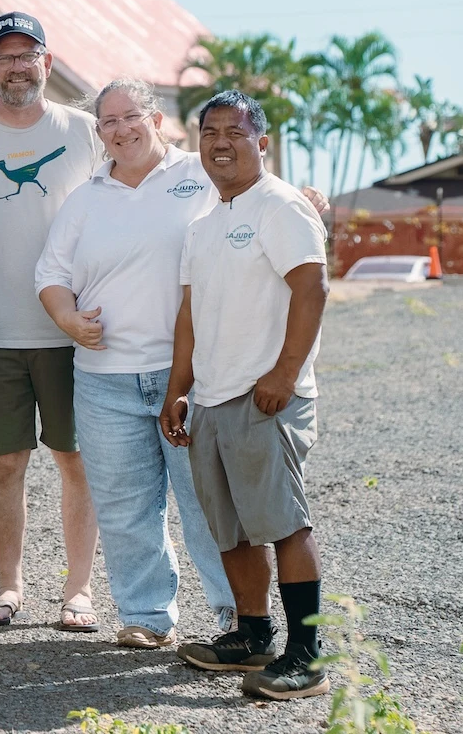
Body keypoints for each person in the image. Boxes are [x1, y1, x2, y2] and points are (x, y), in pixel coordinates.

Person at [34, 78, 236, 649]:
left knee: (206, 504)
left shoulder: (202, 173)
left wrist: (312, 197)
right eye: (108, 122)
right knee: (126, 509)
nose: (120, 130)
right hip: (105, 382)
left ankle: (235, 616)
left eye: (130, 117)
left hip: (193, 375)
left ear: (157, 119)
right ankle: (147, 617)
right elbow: (50, 275)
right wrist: (69, 321)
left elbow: (265, 201)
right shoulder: (87, 197)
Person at [161, 90, 331, 701]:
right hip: (212, 396)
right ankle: (253, 635)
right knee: (230, 529)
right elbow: (189, 316)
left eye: (235, 131)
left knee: (283, 523)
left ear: (262, 142)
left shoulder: (280, 207)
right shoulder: (204, 222)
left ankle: (307, 656)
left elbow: (310, 289)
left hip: (266, 397)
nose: (221, 142)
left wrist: (284, 376)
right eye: (210, 132)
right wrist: (179, 391)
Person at [0, 11, 101, 631]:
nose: (16, 66)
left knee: (76, 459)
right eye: (4, 56)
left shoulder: (86, 131)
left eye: (26, 55)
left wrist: (279, 188)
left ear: (47, 64)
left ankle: (79, 591)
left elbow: (162, 168)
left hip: (74, 331)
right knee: (3, 462)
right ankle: (9, 586)